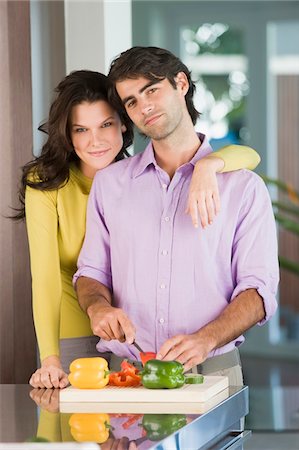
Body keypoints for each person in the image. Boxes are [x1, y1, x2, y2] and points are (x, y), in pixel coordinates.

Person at [14, 69, 260, 390]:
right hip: (74, 330)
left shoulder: (136, 179)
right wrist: (49, 359)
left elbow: (250, 155)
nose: (96, 140)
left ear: (123, 124)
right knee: (80, 434)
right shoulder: (47, 185)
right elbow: (44, 277)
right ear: (68, 135)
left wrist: (207, 165)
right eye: (81, 129)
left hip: (132, 341)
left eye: (106, 125)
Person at [74, 47, 279, 386]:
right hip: (125, 374)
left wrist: (206, 339)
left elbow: (258, 291)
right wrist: (98, 307)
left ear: (181, 83)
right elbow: (92, 272)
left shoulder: (244, 188)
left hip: (213, 372)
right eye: (131, 102)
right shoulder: (110, 185)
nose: (144, 107)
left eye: (152, 90)